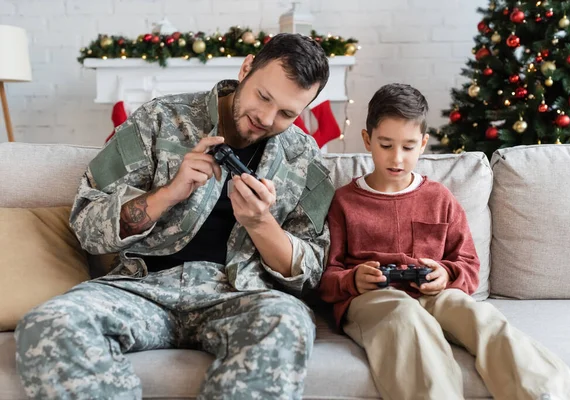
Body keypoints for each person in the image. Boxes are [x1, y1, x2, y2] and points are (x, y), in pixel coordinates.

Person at [15, 33, 335, 400]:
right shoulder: (159, 118)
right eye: (263, 97)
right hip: (141, 288)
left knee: (288, 321)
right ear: (247, 67)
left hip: (239, 296)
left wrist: (261, 224)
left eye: (287, 113)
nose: (266, 118)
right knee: (48, 323)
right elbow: (87, 224)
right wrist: (168, 194)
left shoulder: (305, 157)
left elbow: (310, 273)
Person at [318, 83, 570, 400]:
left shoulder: (439, 198)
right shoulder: (344, 201)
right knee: (404, 318)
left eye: (408, 146)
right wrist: (353, 279)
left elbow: (468, 264)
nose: (397, 158)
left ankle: (546, 393)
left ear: (424, 144)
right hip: (375, 299)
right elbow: (325, 278)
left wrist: (447, 274)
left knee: (481, 318)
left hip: (435, 294)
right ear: (367, 140)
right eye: (386, 145)